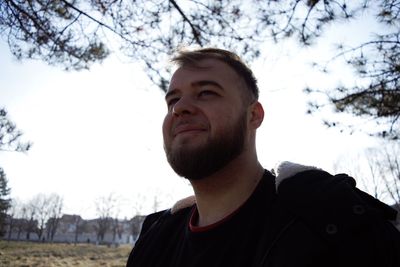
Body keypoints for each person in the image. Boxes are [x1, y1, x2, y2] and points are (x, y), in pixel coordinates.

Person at [126, 48, 400, 267]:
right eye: (172, 100)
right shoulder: (155, 235)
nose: (180, 108)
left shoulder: (334, 223)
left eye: (206, 93)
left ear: (253, 115)